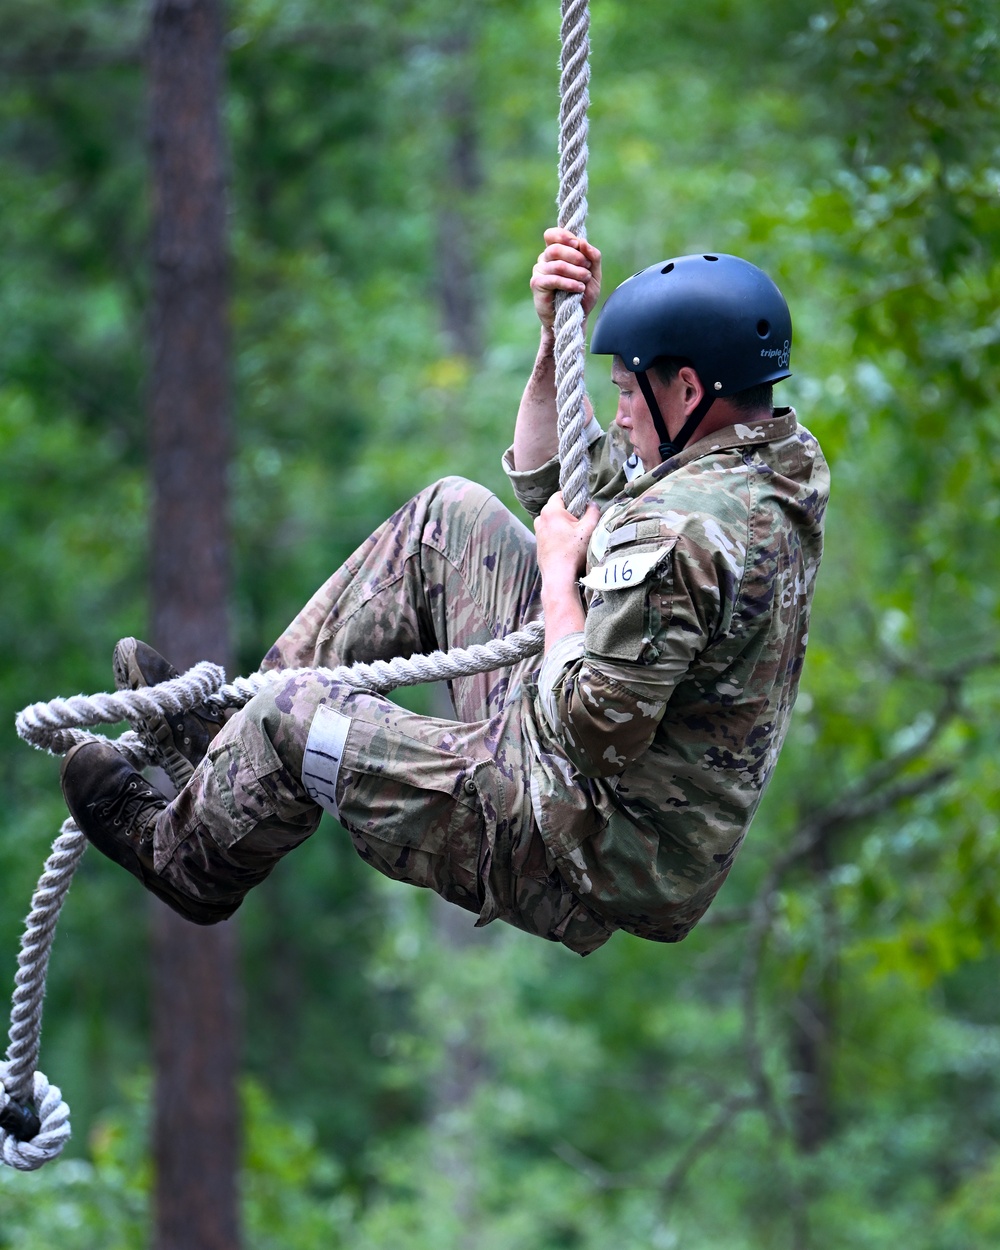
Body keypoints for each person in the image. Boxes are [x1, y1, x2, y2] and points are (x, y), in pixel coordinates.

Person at [60, 229, 829, 957]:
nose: (622, 415)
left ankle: (190, 862)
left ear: (689, 387)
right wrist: (551, 342)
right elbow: (551, 476)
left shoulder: (682, 530)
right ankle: (222, 749)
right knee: (447, 515)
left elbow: (593, 729)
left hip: (581, 846)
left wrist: (558, 574)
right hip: (587, 775)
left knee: (293, 715)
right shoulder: (761, 461)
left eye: (628, 392)